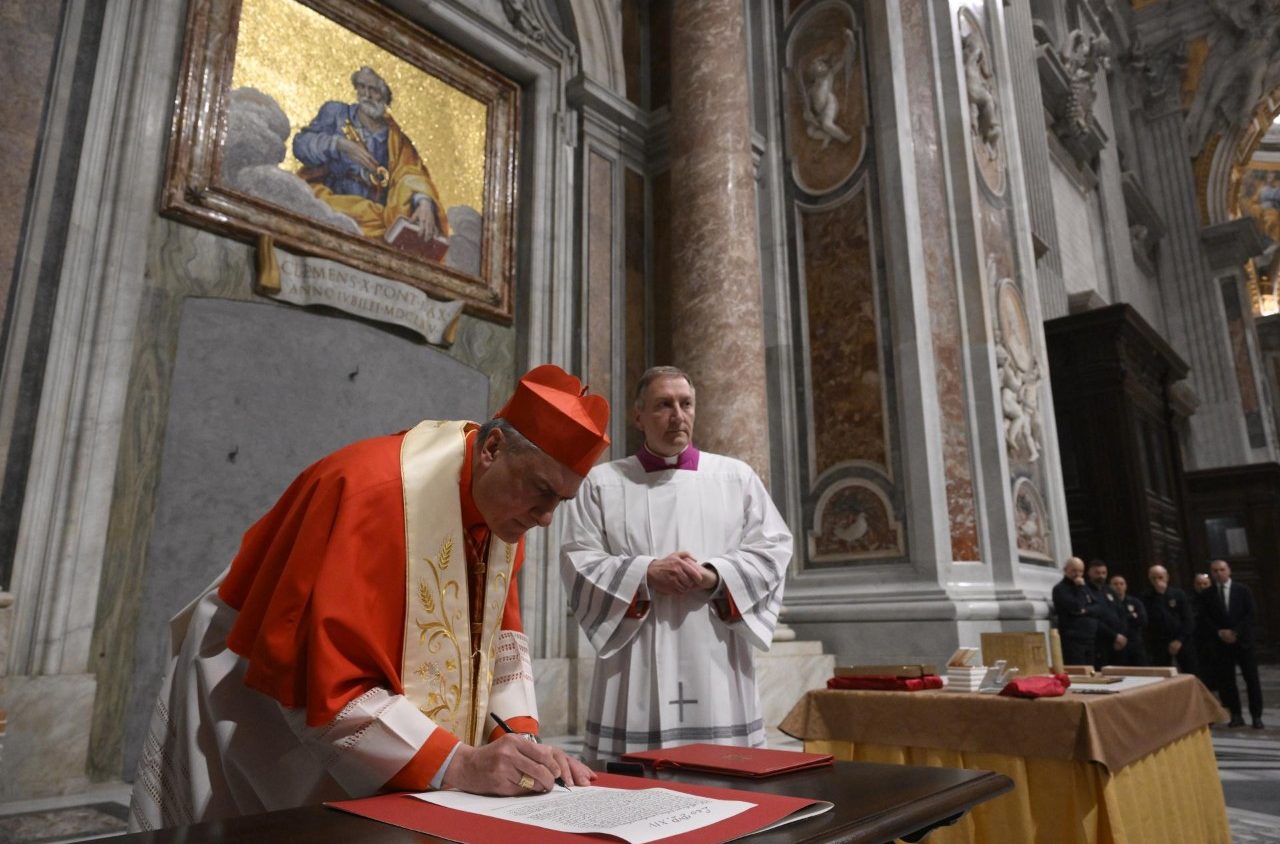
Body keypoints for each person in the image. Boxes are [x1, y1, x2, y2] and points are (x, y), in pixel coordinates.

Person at [129, 365, 610, 830]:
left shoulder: (504, 508)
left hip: (355, 701)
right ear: (492, 448)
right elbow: (324, 682)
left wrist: (520, 740)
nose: (546, 518)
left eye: (560, 501)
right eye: (541, 490)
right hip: (257, 697)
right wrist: (460, 763)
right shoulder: (370, 495)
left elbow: (496, 637)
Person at [559, 366, 792, 754]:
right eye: (663, 405)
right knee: (636, 774)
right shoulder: (603, 483)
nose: (678, 416)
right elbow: (577, 559)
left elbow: (773, 550)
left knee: (724, 770)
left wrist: (713, 576)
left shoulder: (736, 478)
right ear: (638, 416)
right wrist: (645, 572)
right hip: (635, 653)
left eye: (686, 404)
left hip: (715, 648)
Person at [294, 66, 448, 241]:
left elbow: (411, 173)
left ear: (385, 96)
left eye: (373, 90)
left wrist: (424, 201)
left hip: (374, 219)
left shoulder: (396, 139)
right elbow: (301, 144)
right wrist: (339, 144)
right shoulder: (336, 113)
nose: (366, 95)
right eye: (361, 87)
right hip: (332, 203)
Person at [1202, 560, 1265, 728]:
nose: (1219, 573)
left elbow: (1250, 614)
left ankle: (1256, 716)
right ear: (1212, 573)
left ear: (1229, 571)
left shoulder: (1243, 590)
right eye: (1215, 571)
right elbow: (1204, 618)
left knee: (1251, 679)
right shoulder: (1207, 594)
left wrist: (1235, 632)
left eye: (1222, 569)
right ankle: (1236, 714)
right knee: (1227, 681)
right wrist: (1219, 632)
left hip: (1243, 642)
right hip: (1221, 644)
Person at [1140, 564, 1197, 675]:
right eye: (1154, 578)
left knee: (1190, 672)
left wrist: (1179, 640)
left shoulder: (1178, 594)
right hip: (1159, 643)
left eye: (1160, 577)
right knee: (1163, 674)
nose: (1157, 581)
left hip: (1182, 640)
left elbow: (1188, 619)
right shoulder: (1146, 597)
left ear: (1167, 577)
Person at [1051, 557, 1105, 666]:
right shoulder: (1060, 589)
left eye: (1080, 571)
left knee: (1091, 670)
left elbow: (1098, 607)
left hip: (1089, 637)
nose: (1078, 574)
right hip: (1073, 639)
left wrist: (1085, 610)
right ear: (1065, 570)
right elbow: (1076, 607)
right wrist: (1080, 589)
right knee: (1079, 670)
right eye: (1074, 570)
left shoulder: (1084, 587)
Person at [1086, 559, 1127, 668]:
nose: (1101, 576)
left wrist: (1122, 635)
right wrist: (1114, 636)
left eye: (1104, 573)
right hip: (1101, 641)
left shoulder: (1109, 590)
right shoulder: (1085, 590)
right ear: (1089, 573)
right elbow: (1093, 618)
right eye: (1097, 573)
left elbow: (1122, 612)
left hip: (1118, 642)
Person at [1108, 574, 1148, 666]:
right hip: (1117, 643)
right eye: (1115, 584)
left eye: (1121, 584)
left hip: (1135, 643)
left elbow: (1143, 620)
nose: (1119, 586)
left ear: (1126, 586)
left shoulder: (1135, 602)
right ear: (1110, 587)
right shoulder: (1108, 603)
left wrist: (1126, 618)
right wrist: (1131, 616)